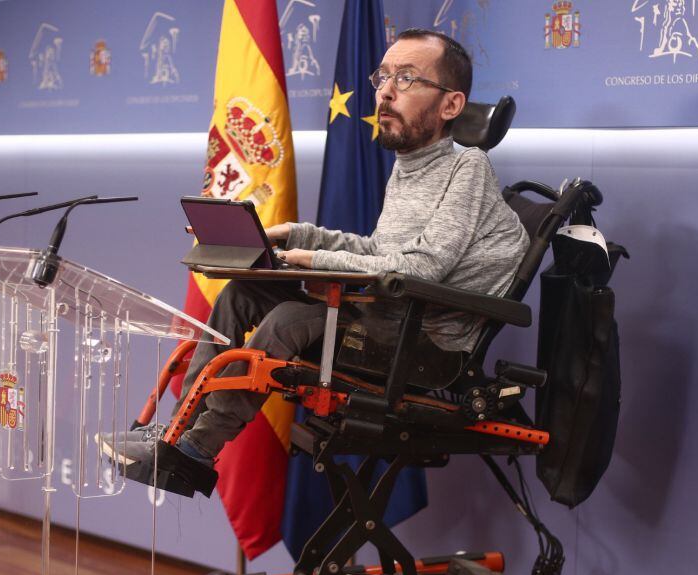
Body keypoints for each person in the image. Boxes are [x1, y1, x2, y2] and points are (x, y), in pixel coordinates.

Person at [105, 28, 529, 493]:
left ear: (451, 105)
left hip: (424, 347)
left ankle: (196, 449)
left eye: (406, 79)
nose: (385, 92)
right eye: (383, 77)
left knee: (288, 320)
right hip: (385, 323)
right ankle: (176, 432)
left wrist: (310, 258)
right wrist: (294, 233)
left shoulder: (468, 167)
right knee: (242, 293)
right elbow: (382, 254)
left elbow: (423, 268)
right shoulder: (409, 166)